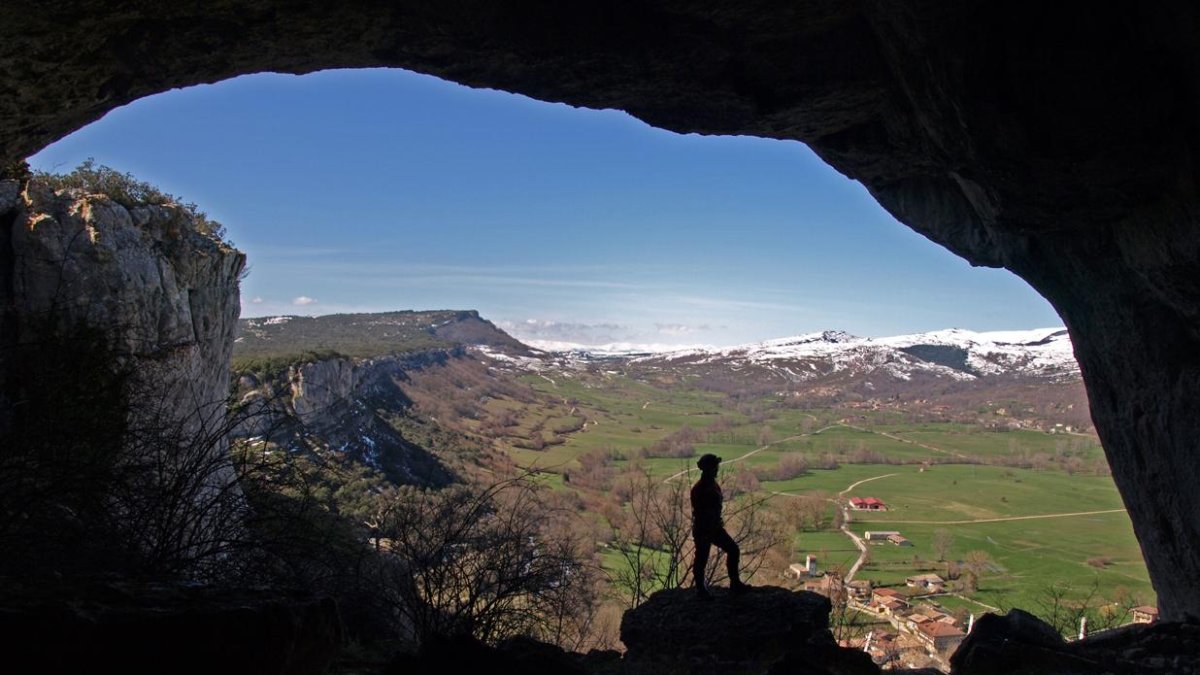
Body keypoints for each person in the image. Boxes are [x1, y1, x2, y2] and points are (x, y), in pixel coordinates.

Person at [691, 453, 750, 599]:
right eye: (715, 466)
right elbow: (701, 511)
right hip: (704, 529)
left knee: (733, 550)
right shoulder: (700, 489)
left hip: (713, 528)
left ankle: (734, 583)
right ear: (710, 469)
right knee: (701, 559)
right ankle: (700, 590)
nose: (717, 469)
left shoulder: (710, 485)